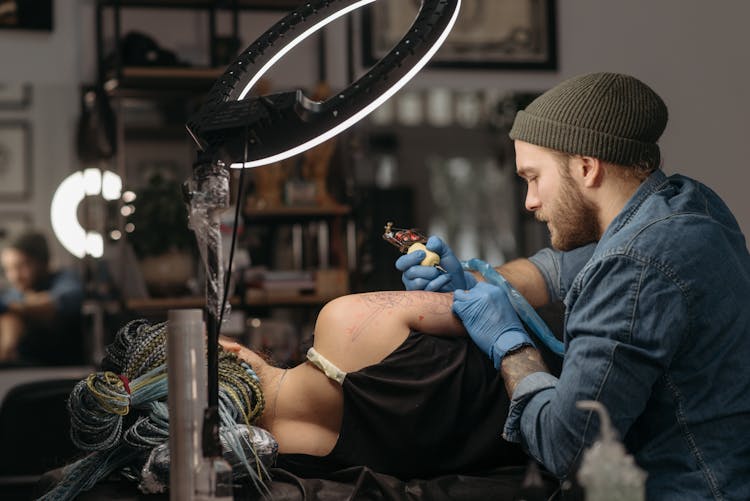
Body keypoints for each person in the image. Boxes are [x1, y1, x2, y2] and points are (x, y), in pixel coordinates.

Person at [397, 72, 750, 500]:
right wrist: (472, 279)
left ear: (586, 167)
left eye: (533, 177)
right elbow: (557, 269)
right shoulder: (684, 205)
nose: (529, 201)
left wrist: (511, 346)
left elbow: (565, 447)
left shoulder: (633, 264)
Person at [39, 290, 546, 500]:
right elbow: (504, 310)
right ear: (232, 350)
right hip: (584, 379)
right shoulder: (345, 322)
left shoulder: (287, 471)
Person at [0, 231, 85, 365]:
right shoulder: (14, 294)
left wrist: (12, 307)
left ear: (43, 262)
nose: (15, 276)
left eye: (22, 266)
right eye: (8, 269)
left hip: (64, 370)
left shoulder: (66, 281)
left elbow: (55, 304)